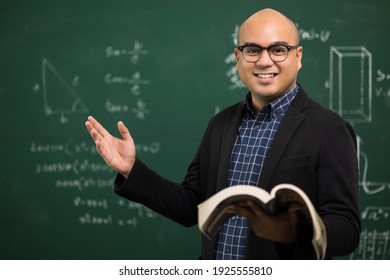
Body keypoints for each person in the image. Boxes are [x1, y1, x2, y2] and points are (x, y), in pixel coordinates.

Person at [85, 8, 360, 259]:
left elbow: (347, 230)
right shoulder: (221, 123)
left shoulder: (329, 129)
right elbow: (191, 206)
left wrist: (294, 231)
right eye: (252, 50)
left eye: (278, 50)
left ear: (297, 57)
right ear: (237, 58)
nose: (265, 61)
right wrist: (132, 169)